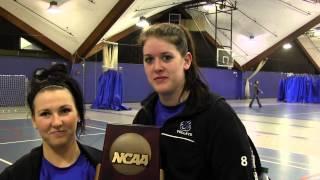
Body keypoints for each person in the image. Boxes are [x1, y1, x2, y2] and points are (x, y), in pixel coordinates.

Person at [132, 23, 261, 180]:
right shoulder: (144, 117)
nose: (157, 67)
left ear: (186, 61)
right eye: (149, 59)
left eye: (166, 57)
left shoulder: (218, 116)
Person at [0, 64, 101, 180]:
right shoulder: (15, 175)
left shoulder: (105, 165)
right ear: (34, 120)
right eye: (45, 114)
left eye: (65, 110)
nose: (56, 123)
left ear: (78, 113)